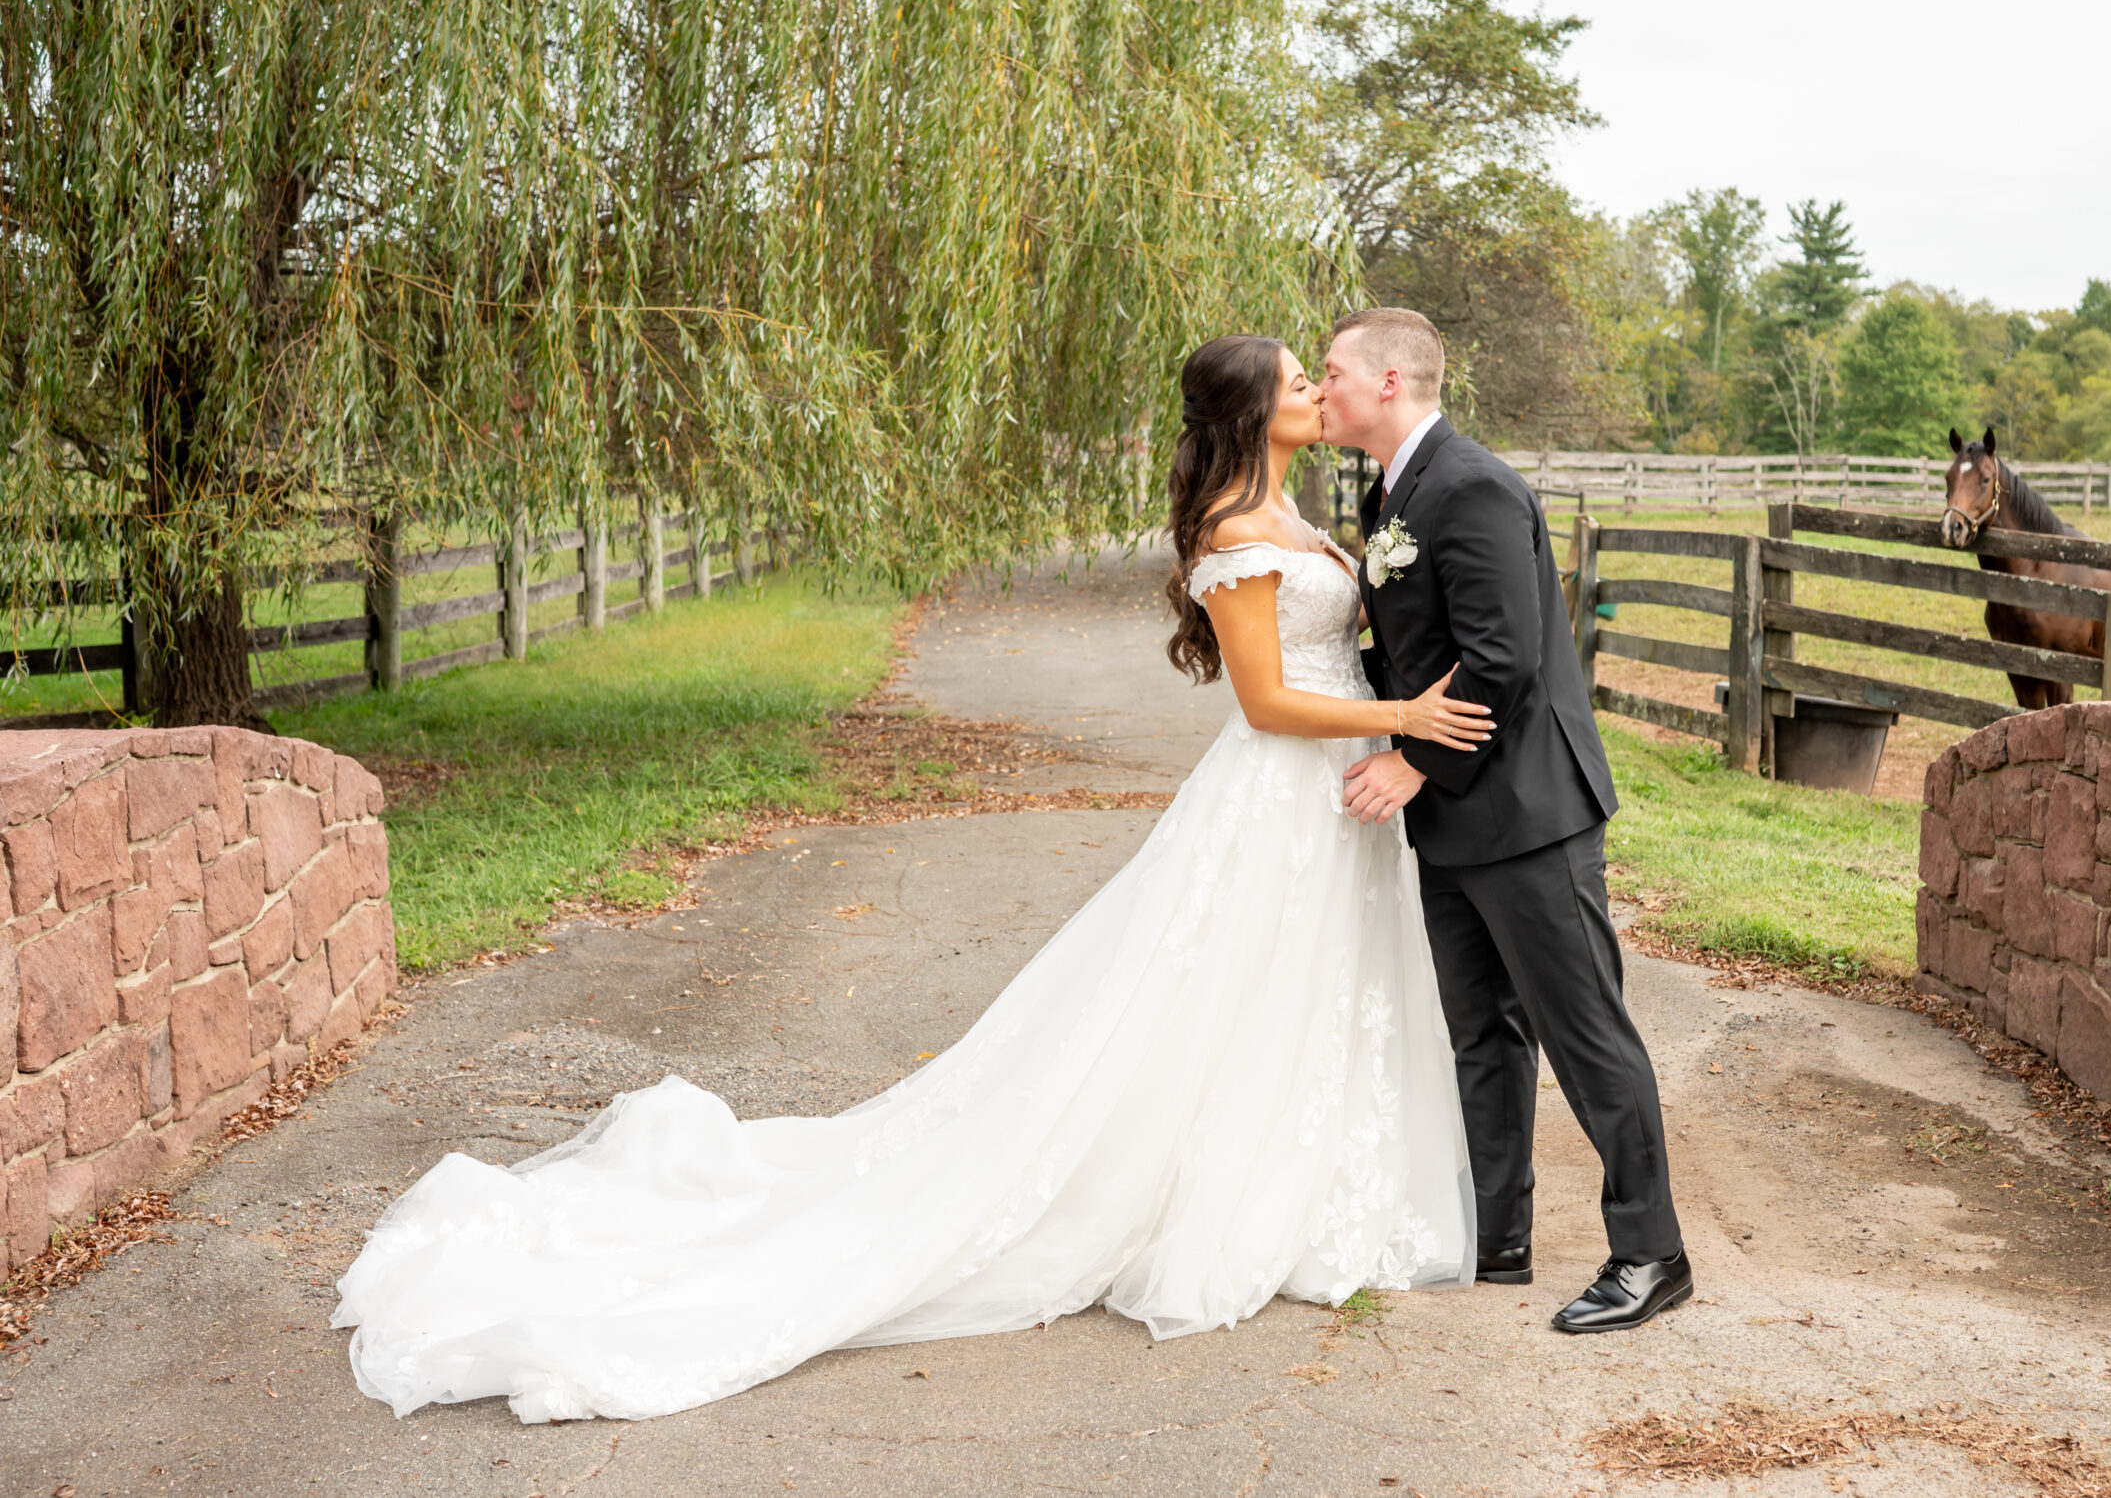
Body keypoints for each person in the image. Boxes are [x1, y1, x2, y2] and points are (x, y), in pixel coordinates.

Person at [332, 334, 1494, 1423]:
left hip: (1336, 787)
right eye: (1296, 381)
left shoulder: (1295, 507)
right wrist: (1404, 714)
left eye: (1314, 377)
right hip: (1277, 786)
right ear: (1252, 413)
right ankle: (1196, 1202)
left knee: (1299, 993)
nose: (1312, 392)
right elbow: (1262, 700)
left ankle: (1292, 1185)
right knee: (1221, 989)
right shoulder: (1240, 527)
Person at [1317, 307, 1690, 1334]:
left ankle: (1651, 1253)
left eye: (1334, 370)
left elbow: (1503, 659)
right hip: (1455, 820)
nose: (1322, 386)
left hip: (1527, 814)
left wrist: (1409, 760)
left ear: (1390, 380)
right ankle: (1498, 1236)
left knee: (1585, 1034)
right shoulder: (1390, 488)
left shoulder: (1469, 484)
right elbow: (1416, 641)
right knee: (1482, 1034)